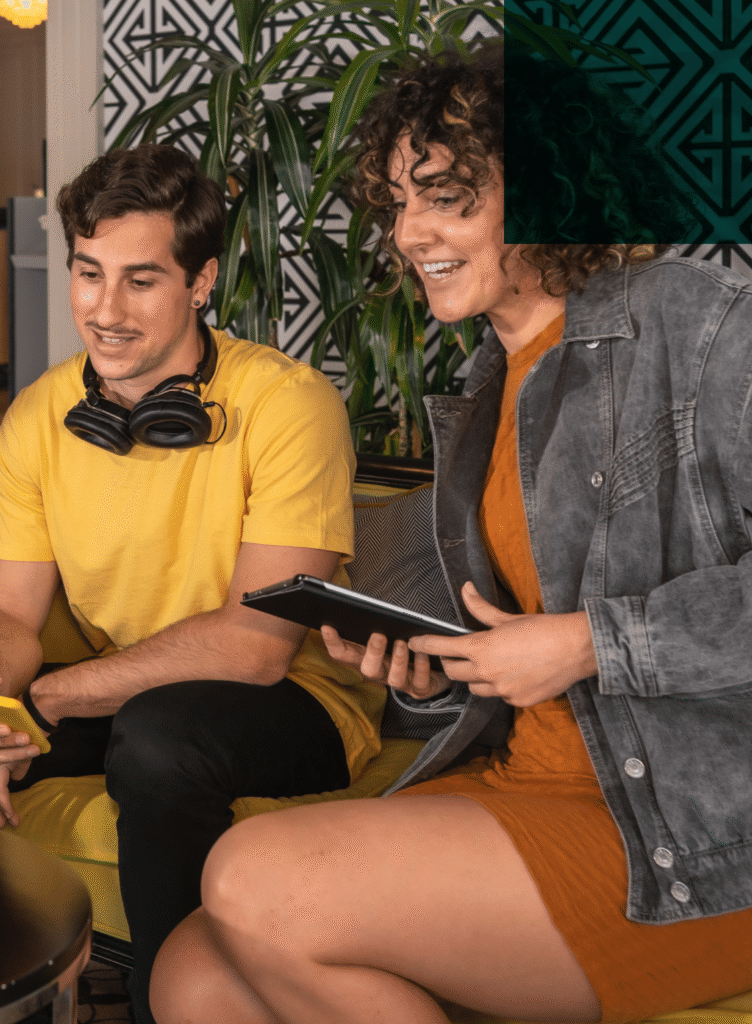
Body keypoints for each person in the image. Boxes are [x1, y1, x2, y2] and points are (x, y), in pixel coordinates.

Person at [148, 41, 752, 1024]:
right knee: (191, 975)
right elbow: (523, 657)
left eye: (445, 197)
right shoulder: (488, 390)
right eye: (397, 202)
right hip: (532, 781)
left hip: (689, 832)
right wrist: (436, 675)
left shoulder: (702, 325)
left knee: (255, 878)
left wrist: (590, 642)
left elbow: (582, 646)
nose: (406, 232)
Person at [0, 143, 387, 1024]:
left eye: (141, 281)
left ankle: (166, 1008)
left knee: (159, 736)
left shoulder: (289, 405)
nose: (104, 310)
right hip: (119, 692)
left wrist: (45, 699)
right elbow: (13, 618)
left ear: (202, 281)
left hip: (300, 702)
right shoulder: (36, 417)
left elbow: (256, 649)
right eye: (89, 273)